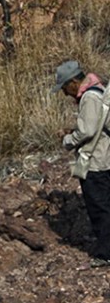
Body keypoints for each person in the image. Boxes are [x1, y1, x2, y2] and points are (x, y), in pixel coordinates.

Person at [53, 60, 110, 267]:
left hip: (96, 162)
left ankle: (106, 253)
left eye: (65, 87)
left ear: (74, 81)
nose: (65, 93)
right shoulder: (99, 90)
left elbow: (87, 131)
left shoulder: (89, 97)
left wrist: (68, 140)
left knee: (99, 207)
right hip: (105, 157)